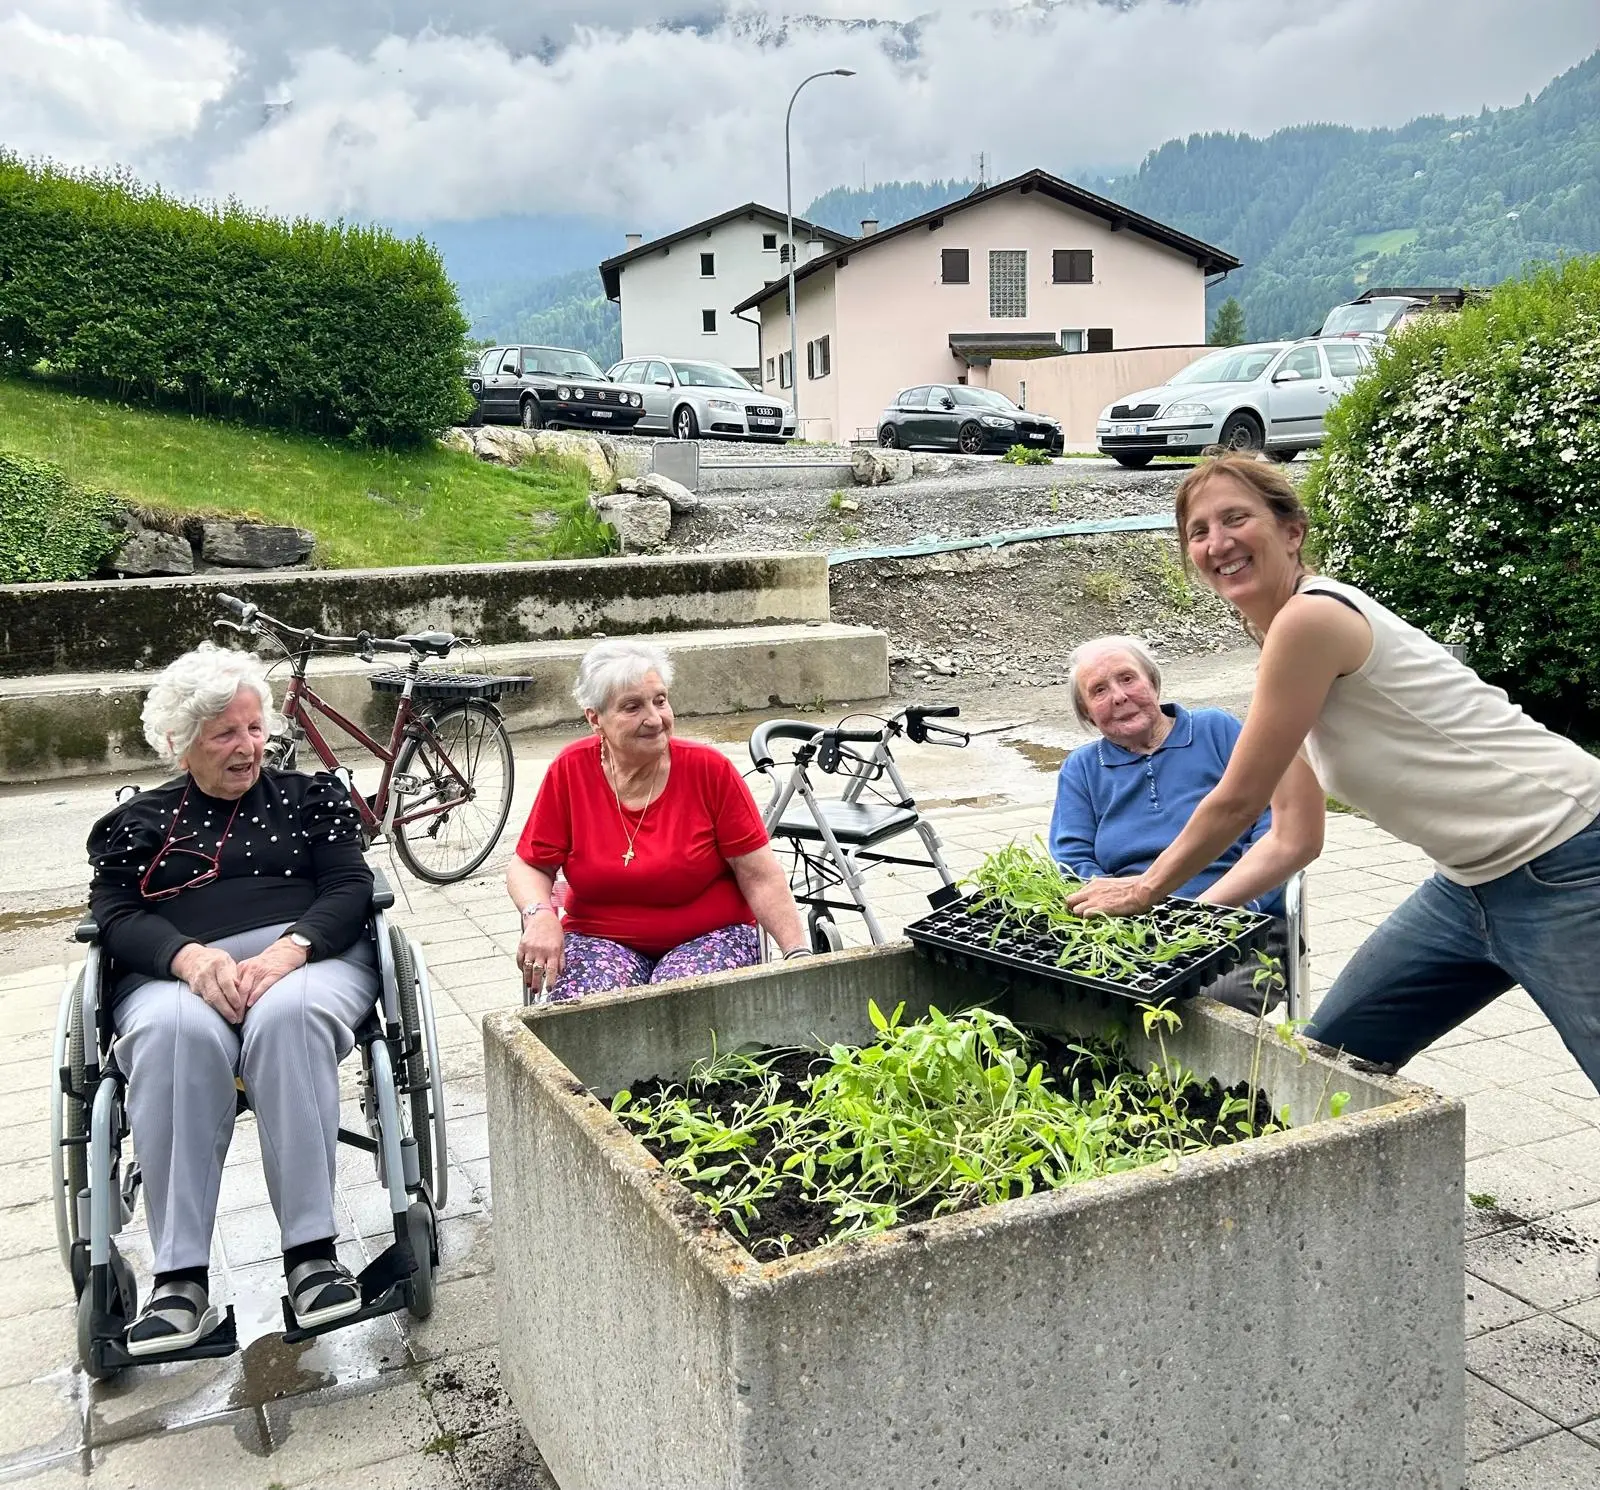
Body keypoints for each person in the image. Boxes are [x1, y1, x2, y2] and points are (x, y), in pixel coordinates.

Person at [1066, 452, 1600, 1094]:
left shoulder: (1310, 619)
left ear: (1292, 532)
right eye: (1199, 532)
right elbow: (1295, 837)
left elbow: (1238, 801)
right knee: (1329, 1061)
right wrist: (1189, 925)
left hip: (1569, 860)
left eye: (1236, 518)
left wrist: (1146, 892)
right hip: (1467, 888)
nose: (1218, 543)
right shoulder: (1281, 652)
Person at [87, 644, 377, 1355]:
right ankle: (179, 1281)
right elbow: (116, 917)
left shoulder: (311, 799)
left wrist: (290, 948)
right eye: (225, 734)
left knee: (289, 1017)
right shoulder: (140, 824)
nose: (247, 747)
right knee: (172, 1037)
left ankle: (312, 1258)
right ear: (181, 744)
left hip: (308, 959)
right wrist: (185, 958)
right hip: (177, 974)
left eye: (254, 729)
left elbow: (350, 888)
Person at [508, 641, 812, 998]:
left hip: (710, 936)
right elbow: (528, 866)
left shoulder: (710, 771)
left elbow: (760, 876)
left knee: (683, 1005)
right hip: (599, 938)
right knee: (585, 1014)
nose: (654, 719)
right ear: (595, 718)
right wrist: (539, 914)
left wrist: (798, 955)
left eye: (660, 700)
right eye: (632, 707)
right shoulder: (570, 770)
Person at [1051, 634, 1323, 1010]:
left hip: (1236, 923)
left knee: (1212, 998)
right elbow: (1071, 859)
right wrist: (1115, 911)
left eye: (1128, 679)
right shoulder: (1081, 769)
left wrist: (1243, 903)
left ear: (1153, 681)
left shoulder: (1217, 731)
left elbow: (1272, 820)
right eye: (1098, 690)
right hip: (1130, 928)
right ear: (1087, 714)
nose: (1118, 696)